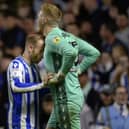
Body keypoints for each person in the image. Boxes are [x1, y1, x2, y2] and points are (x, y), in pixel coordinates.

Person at [37, 3, 100, 129]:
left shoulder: (52, 38)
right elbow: (94, 53)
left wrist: (61, 74)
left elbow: (70, 53)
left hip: (66, 98)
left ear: (45, 19)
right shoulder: (69, 37)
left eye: (40, 15)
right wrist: (79, 70)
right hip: (71, 96)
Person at [7, 34, 50, 129]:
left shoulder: (35, 68)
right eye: (41, 51)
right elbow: (16, 86)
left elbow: (37, 90)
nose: (42, 56)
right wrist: (41, 84)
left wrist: (51, 86)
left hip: (34, 123)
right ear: (30, 48)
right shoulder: (16, 65)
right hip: (19, 123)